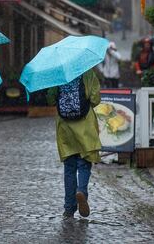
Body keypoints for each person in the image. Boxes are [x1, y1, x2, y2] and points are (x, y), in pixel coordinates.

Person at [56, 68, 101, 219]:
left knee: (69, 168)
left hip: (65, 129)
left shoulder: (58, 75)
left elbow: (51, 100)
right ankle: (81, 191)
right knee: (84, 164)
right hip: (85, 127)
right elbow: (95, 99)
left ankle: (69, 208)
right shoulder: (87, 73)